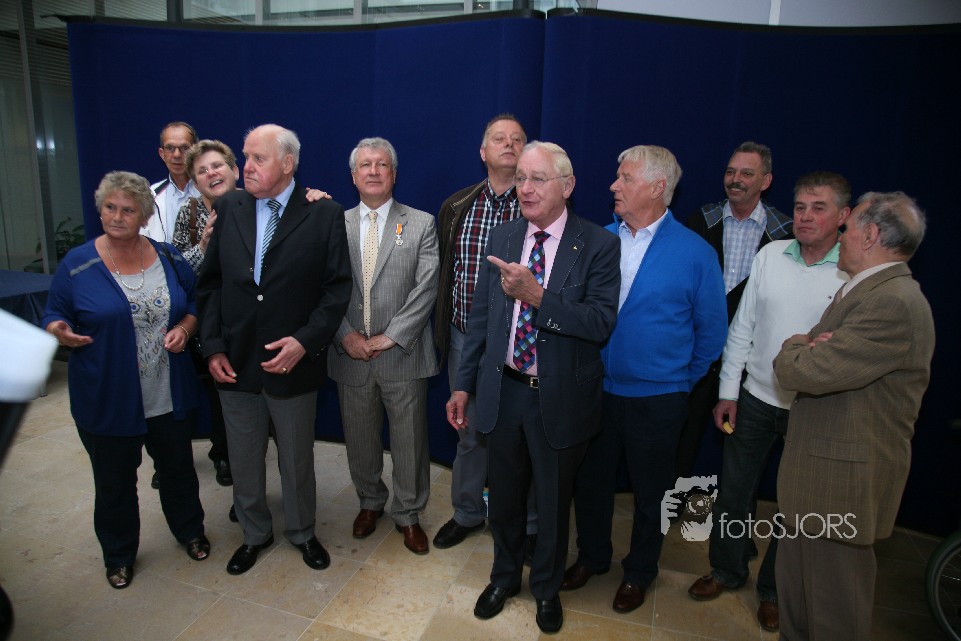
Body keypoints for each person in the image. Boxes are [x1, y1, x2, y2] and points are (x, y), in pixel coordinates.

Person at [447, 141, 620, 634]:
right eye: (521, 177)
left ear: (567, 185)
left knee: (552, 502)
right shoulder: (503, 236)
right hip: (503, 392)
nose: (524, 188)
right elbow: (481, 319)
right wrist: (462, 385)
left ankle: (546, 588)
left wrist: (537, 296)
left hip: (558, 397)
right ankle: (503, 577)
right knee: (503, 499)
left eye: (537, 179)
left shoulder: (598, 244)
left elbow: (599, 323)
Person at [561, 145, 727, 614]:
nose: (613, 185)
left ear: (657, 188)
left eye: (625, 178)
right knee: (590, 482)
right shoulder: (597, 240)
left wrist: (675, 380)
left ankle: (639, 572)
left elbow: (712, 332)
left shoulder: (696, 253)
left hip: (659, 399)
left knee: (652, 493)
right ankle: (592, 557)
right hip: (596, 390)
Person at [686, 172, 852, 632]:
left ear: (844, 216)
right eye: (799, 207)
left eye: (818, 208)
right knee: (734, 493)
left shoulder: (853, 273)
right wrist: (728, 392)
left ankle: (774, 590)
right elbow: (743, 328)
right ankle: (726, 569)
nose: (805, 216)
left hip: (813, 410)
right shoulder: (771, 255)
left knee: (793, 505)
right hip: (756, 398)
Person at [772, 191, 934, 641]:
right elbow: (814, 356)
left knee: (833, 615)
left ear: (871, 235)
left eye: (847, 227)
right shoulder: (864, 289)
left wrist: (798, 345)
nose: (839, 235)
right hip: (819, 479)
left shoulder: (892, 301)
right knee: (799, 606)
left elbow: (799, 369)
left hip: (841, 488)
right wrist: (811, 345)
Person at [196, 124, 351, 576]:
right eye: (245, 157)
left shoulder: (323, 214)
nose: (245, 167)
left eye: (257, 158)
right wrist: (213, 347)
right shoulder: (230, 207)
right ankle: (254, 533)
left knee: (296, 458)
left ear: (287, 164)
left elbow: (336, 290)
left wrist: (304, 342)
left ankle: (302, 532)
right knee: (244, 458)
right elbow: (210, 285)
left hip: (293, 362)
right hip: (235, 360)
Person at [42, 171, 209, 590]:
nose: (117, 217)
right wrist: (58, 330)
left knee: (178, 471)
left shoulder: (169, 258)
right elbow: (54, 313)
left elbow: (193, 305)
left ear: (145, 216)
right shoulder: (78, 265)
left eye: (128, 210)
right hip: (109, 398)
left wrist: (185, 328)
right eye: (109, 208)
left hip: (167, 393)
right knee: (115, 483)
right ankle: (118, 554)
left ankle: (190, 531)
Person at [176, 140, 332, 493]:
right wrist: (212, 346)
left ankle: (292, 517)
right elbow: (199, 281)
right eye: (202, 171)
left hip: (285, 353)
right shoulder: (199, 215)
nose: (212, 174)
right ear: (195, 182)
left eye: (218, 166)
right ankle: (245, 505)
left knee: (292, 452)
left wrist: (307, 200)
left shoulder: (287, 206)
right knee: (240, 445)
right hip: (230, 348)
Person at [328, 137, 439, 554]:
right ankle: (370, 501)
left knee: (410, 441)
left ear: (394, 173)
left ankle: (408, 513)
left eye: (382, 164)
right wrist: (345, 336)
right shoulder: (333, 224)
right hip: (350, 353)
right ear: (353, 175)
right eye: (365, 165)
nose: (373, 171)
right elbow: (322, 288)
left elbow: (427, 289)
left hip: (403, 355)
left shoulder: (421, 223)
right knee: (359, 438)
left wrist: (389, 337)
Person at [433, 114, 538, 552]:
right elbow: (445, 272)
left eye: (517, 139)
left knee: (524, 437)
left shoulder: (538, 205)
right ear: (483, 152)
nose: (509, 144)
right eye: (499, 138)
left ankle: (526, 524)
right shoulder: (457, 206)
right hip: (464, 338)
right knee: (469, 430)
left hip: (520, 344)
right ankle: (467, 512)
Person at [676, 141, 793, 478]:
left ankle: (732, 510)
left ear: (766, 181)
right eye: (730, 172)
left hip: (749, 365)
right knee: (681, 443)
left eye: (746, 173)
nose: (735, 179)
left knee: (742, 456)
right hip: (697, 357)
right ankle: (669, 506)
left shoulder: (784, 235)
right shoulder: (700, 220)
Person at [145, 122, 201, 243]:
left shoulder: (210, 191)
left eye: (184, 148)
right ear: (162, 154)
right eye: (170, 148)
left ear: (195, 152)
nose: (177, 155)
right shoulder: (150, 195)